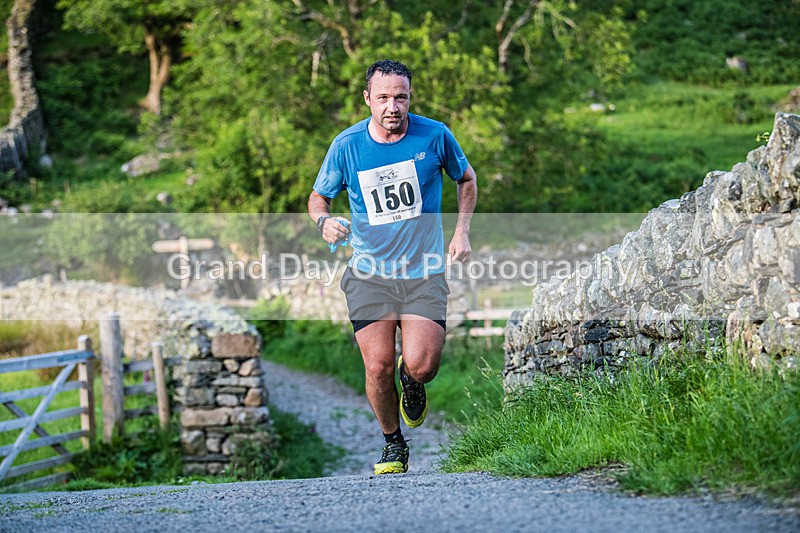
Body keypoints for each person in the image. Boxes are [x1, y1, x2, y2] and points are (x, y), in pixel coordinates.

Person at [308, 59, 477, 474]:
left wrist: (461, 233)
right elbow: (318, 198)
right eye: (383, 97)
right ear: (368, 99)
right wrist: (324, 222)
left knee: (421, 363)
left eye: (400, 97)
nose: (392, 106)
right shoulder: (346, 145)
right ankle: (393, 443)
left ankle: (412, 379)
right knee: (377, 364)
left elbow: (467, 179)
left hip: (423, 272)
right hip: (369, 272)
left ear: (409, 97)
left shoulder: (434, 134)